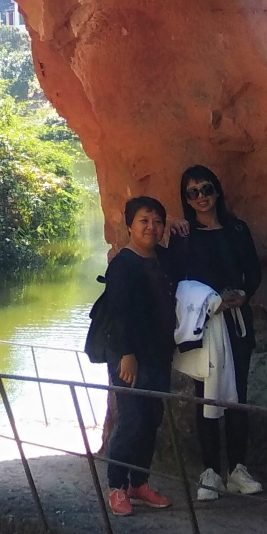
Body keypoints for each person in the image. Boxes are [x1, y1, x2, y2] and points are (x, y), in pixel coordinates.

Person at [165, 164, 263, 502]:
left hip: (236, 321)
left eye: (206, 189)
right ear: (186, 198)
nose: (201, 197)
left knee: (238, 394)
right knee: (204, 393)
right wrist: (208, 304)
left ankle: (237, 468)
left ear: (217, 191)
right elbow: (175, 278)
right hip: (203, 324)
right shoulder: (183, 235)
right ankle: (210, 471)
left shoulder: (237, 229)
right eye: (192, 192)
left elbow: (253, 270)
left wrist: (244, 294)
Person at [88, 196, 177, 516]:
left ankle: (139, 483)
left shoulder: (161, 259)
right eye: (144, 221)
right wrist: (126, 354)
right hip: (128, 356)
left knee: (152, 419)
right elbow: (118, 314)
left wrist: (181, 228)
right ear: (129, 226)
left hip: (157, 353)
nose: (151, 227)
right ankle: (117, 486)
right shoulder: (123, 264)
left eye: (157, 221)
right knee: (131, 420)